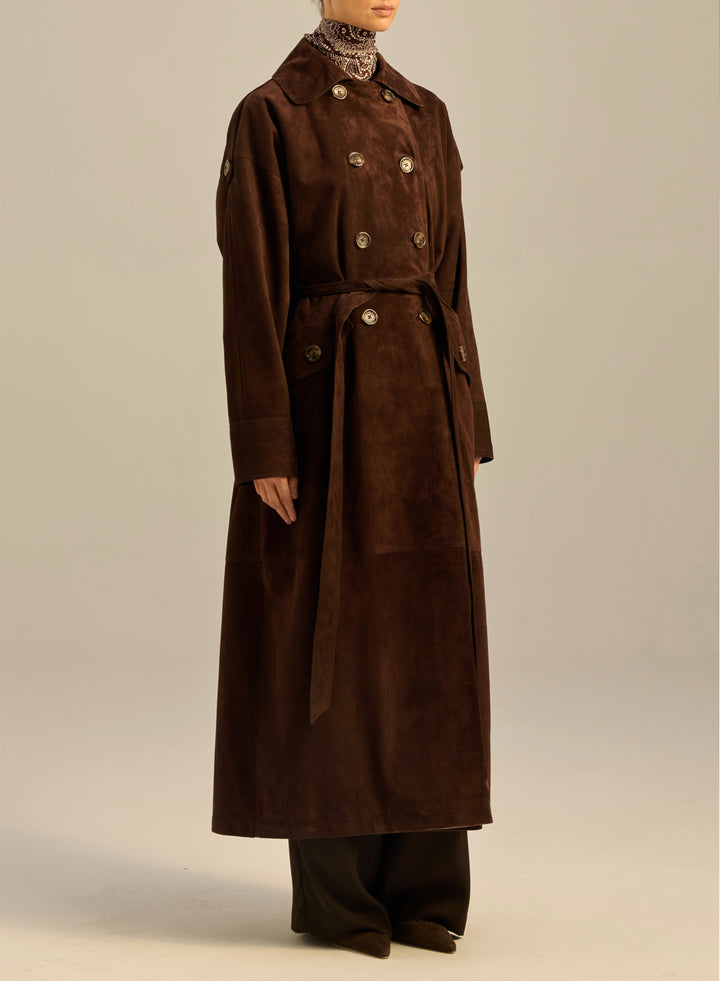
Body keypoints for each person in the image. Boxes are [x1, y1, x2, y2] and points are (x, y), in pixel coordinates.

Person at [212, 0, 495, 959]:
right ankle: (340, 896)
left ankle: (425, 886)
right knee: (325, 640)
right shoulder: (271, 113)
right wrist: (265, 442)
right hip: (324, 400)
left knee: (426, 640)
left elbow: (452, 276)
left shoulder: (425, 112)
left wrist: (468, 416)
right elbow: (251, 283)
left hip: (423, 397)